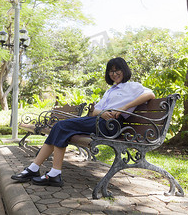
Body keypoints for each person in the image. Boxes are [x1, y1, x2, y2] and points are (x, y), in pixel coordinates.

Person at [11, 57, 155, 187]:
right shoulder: (110, 91)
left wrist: (123, 108)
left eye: (117, 70)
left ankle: (47, 172)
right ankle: (37, 169)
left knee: (61, 126)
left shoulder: (133, 87)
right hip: (99, 121)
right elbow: (95, 111)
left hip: (112, 125)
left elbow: (150, 94)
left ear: (124, 70)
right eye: (111, 71)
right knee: (60, 128)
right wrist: (103, 112)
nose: (114, 73)